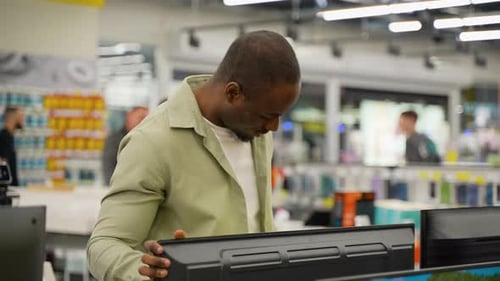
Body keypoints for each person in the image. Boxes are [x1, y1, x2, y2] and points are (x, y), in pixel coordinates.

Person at [87, 30, 301, 281]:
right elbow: (104, 245)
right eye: (267, 116)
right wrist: (147, 272)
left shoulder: (258, 133)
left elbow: (257, 223)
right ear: (233, 93)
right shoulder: (154, 141)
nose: (273, 127)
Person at [102, 106, 149, 185]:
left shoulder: (147, 141)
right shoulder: (114, 140)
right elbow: (108, 168)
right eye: (141, 117)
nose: (143, 121)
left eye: (147, 118)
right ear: (129, 116)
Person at [0, 107, 24, 186]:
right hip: (8, 189)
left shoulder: (9, 137)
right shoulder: (4, 138)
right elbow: (3, 163)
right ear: (12, 118)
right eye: (20, 117)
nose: (23, 120)